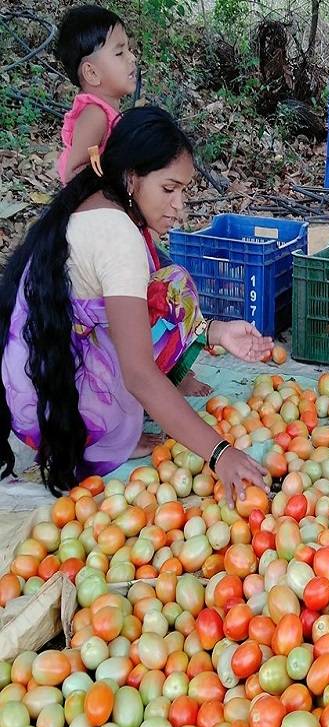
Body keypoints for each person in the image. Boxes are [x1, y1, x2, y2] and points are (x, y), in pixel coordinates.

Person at [0, 106, 270, 501]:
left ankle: (107, 415)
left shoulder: (96, 201)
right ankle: (99, 433)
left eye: (184, 191)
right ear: (131, 178)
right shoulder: (119, 236)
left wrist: (216, 331)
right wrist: (219, 453)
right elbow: (139, 375)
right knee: (166, 306)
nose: (179, 205)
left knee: (171, 287)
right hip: (49, 411)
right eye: (168, 189)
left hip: (32, 380)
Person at [55, 5, 138, 184]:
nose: (132, 58)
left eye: (129, 50)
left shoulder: (105, 112)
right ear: (92, 73)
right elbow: (74, 172)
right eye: (119, 53)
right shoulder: (95, 115)